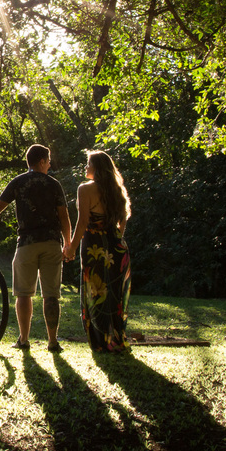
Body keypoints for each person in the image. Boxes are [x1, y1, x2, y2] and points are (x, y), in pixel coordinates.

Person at [0, 144, 72, 352]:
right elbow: (64, 216)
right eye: (48, 161)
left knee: (23, 294)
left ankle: (23, 340)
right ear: (41, 161)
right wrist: (67, 243)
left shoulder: (19, 182)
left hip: (26, 244)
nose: (50, 164)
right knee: (51, 295)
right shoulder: (54, 184)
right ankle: (52, 342)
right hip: (51, 243)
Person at [63, 149, 132, 352]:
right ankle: (117, 339)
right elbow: (122, 224)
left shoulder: (85, 189)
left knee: (96, 292)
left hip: (95, 247)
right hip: (117, 248)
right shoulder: (117, 190)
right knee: (114, 296)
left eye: (88, 164)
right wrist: (115, 242)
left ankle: (101, 342)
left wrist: (71, 248)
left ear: (97, 168)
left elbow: (83, 221)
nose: (85, 167)